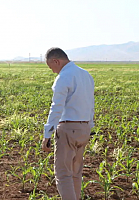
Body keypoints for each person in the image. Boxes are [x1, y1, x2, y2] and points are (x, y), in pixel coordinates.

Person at [41, 47, 94, 200]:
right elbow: (91, 104)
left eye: (51, 67)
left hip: (68, 129)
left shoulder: (64, 77)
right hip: (84, 129)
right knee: (75, 174)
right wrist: (89, 127)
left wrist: (47, 134)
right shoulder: (86, 75)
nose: (53, 71)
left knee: (63, 175)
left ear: (56, 61)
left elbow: (56, 108)